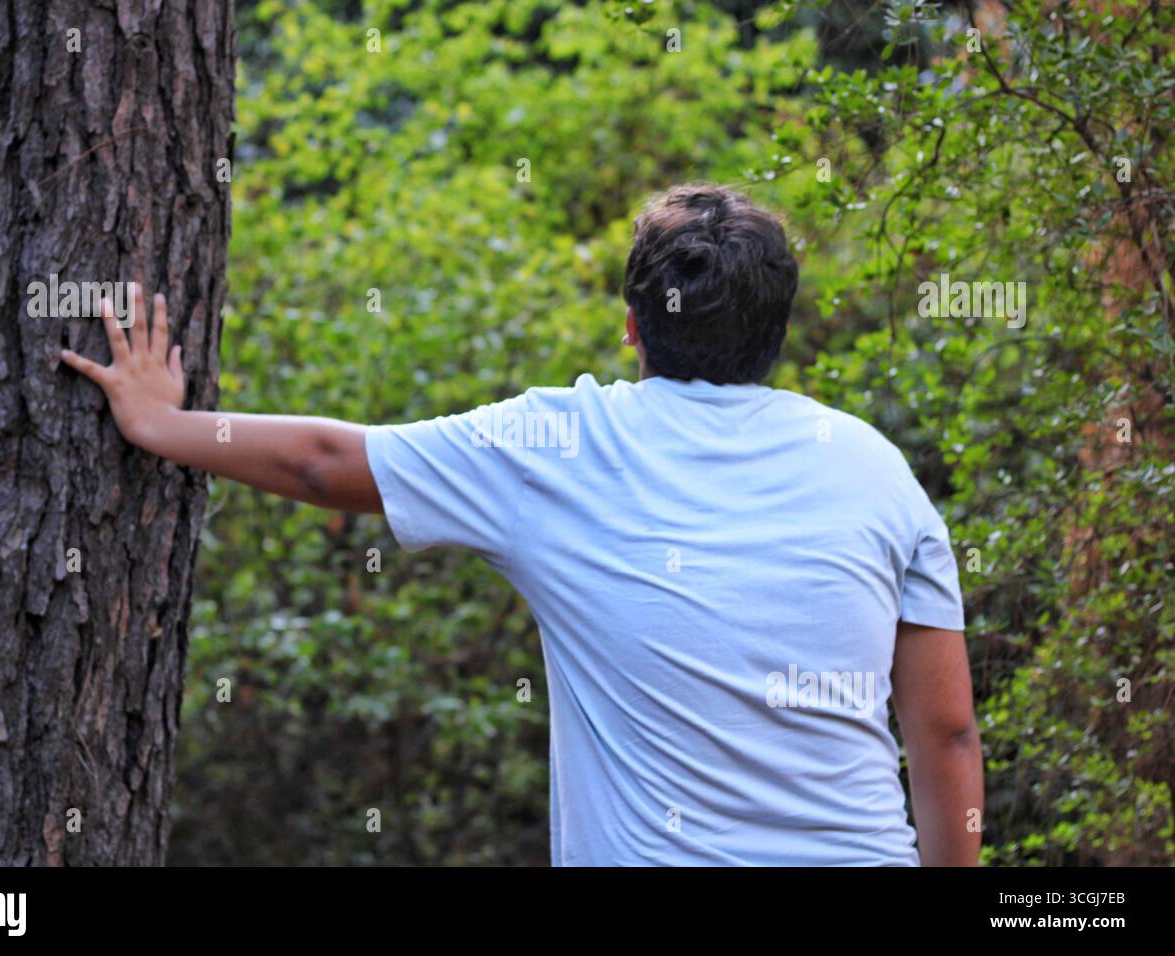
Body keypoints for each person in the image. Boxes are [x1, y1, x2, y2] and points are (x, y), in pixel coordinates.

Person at [61, 183, 984, 866]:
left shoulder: (565, 442)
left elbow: (329, 461)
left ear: (631, 328)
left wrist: (160, 424)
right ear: (781, 329)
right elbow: (944, 734)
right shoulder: (876, 469)